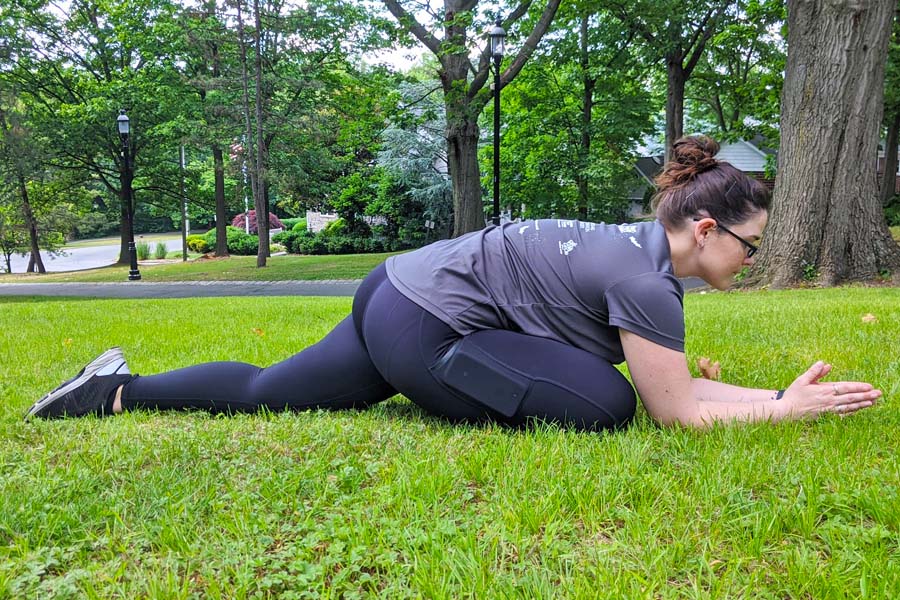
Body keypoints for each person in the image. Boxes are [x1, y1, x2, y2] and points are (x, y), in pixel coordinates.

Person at [26, 136, 881, 429]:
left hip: (392, 291)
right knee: (605, 407)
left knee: (267, 392)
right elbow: (675, 412)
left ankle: (111, 393)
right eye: (750, 246)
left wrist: (766, 391)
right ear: (703, 230)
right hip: (426, 330)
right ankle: (439, 377)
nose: (753, 261)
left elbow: (682, 384)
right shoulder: (650, 283)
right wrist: (780, 409)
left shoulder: (634, 250)